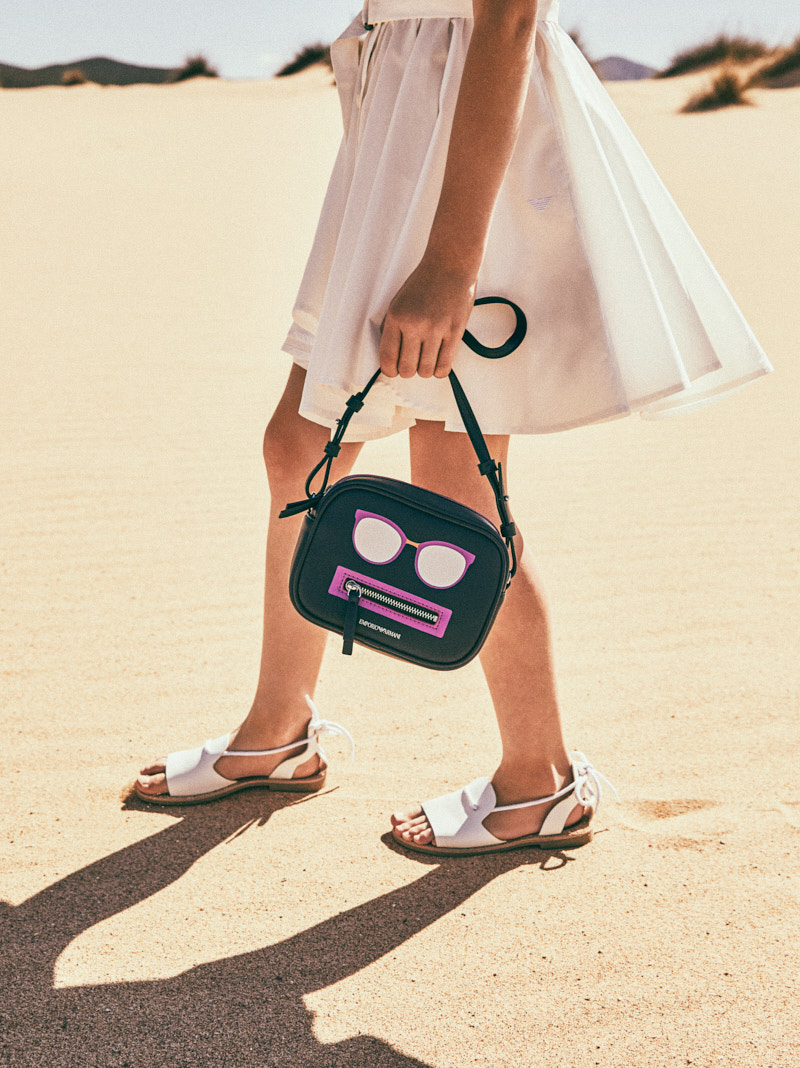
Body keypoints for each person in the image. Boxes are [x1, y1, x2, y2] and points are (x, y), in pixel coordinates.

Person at [135, 0, 772, 855]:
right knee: (299, 448)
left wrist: (450, 264)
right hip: (395, 141)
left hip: (469, 163)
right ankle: (279, 731)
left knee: (457, 488)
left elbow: (507, 21)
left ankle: (539, 780)